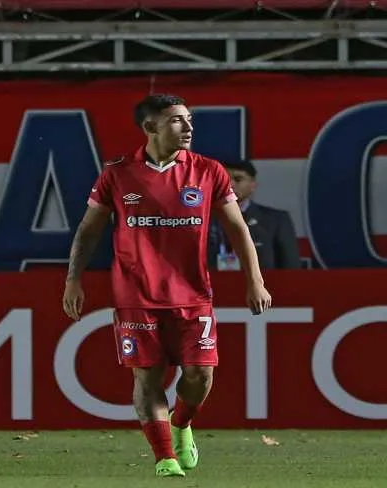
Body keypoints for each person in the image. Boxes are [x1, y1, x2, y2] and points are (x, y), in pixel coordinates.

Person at [61, 94, 272, 478]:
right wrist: (73, 279)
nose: (188, 127)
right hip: (136, 295)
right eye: (177, 120)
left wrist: (254, 280)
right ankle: (165, 458)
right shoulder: (117, 174)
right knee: (147, 376)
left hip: (193, 294)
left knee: (199, 374)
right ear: (150, 127)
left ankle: (182, 424)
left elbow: (237, 228)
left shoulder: (209, 171)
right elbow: (88, 230)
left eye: (189, 119)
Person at [208, 160, 302, 271]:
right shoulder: (203, 218)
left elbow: (291, 268)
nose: (231, 185)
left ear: (253, 185)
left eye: (238, 179)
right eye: (225, 180)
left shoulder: (276, 220)